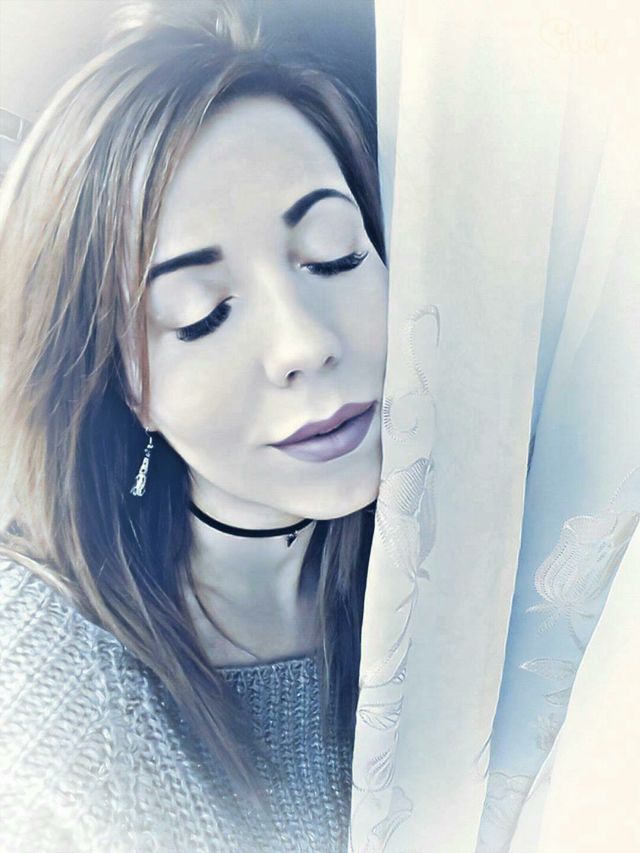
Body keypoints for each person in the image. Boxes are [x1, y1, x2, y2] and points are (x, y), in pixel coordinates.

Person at [0, 3, 388, 851]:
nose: (304, 344)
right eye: (201, 312)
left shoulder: (469, 561)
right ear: (118, 381)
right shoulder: (40, 691)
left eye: (334, 254)